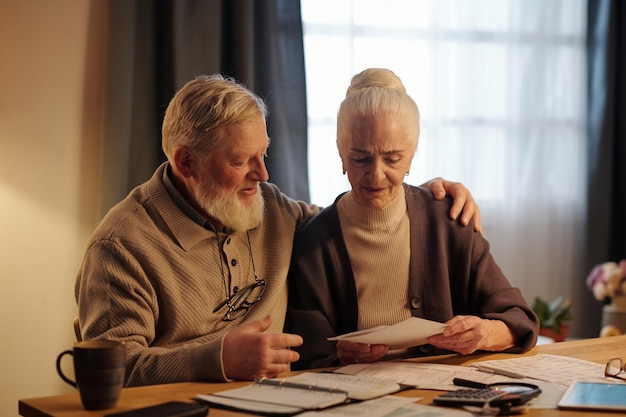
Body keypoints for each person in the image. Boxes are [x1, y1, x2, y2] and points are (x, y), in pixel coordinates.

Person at [75, 73, 482, 387]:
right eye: (240, 161)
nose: (263, 174)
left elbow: (354, 215)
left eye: (263, 153)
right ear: (186, 164)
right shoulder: (121, 247)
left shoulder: (271, 207)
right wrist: (216, 358)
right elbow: (108, 370)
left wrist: (425, 197)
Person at [286, 68, 539, 370]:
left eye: (393, 158)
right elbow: (304, 350)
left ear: (412, 155)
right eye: (360, 158)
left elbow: (519, 319)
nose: (376, 175)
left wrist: (485, 333)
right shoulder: (312, 242)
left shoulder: (449, 220)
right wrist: (339, 353)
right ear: (340, 153)